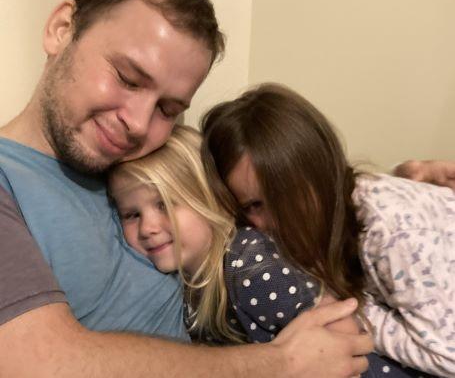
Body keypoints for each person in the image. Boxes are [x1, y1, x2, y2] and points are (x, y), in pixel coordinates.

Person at [0, 0, 372, 377]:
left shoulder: (129, 163)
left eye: (169, 108)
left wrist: (383, 187)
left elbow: (266, 190)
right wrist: (279, 364)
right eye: (127, 77)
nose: (138, 124)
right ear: (62, 29)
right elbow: (38, 365)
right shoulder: (11, 179)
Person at [109, 124, 431, 378]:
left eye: (165, 204)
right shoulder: (186, 281)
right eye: (131, 214)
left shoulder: (248, 263)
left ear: (206, 200)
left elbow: (342, 328)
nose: (148, 227)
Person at [200, 83, 455, 377]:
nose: (282, 218)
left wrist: (357, 309)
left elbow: (445, 356)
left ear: (322, 168)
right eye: (255, 205)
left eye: (289, 193)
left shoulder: (386, 228)